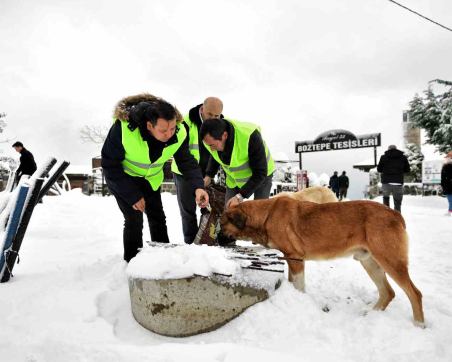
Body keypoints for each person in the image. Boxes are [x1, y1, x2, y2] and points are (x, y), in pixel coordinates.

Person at [101, 94, 209, 262]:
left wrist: (198, 186)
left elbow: (186, 162)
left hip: (150, 180)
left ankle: (162, 257)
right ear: (149, 126)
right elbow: (109, 165)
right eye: (163, 130)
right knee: (134, 219)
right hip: (124, 179)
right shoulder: (122, 130)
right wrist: (132, 196)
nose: (169, 134)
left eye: (172, 128)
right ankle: (132, 262)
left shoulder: (179, 133)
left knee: (157, 216)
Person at [171, 97, 223, 244]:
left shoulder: (221, 125)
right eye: (210, 114)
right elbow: (182, 154)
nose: (213, 118)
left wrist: (209, 174)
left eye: (217, 116)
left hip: (207, 175)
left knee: (210, 210)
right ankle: (190, 244)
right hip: (184, 174)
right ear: (202, 109)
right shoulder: (185, 123)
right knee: (188, 212)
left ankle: (206, 242)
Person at [200, 118, 275, 209]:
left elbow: (260, 173)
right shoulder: (210, 140)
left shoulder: (249, 137)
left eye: (212, 145)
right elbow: (214, 156)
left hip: (262, 176)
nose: (211, 149)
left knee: (259, 212)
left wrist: (240, 196)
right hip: (234, 179)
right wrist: (208, 176)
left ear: (225, 135)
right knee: (229, 212)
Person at [377, 145, 410, 213]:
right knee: (397, 204)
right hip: (398, 183)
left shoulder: (383, 157)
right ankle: (397, 220)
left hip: (386, 183)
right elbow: (407, 170)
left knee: (385, 203)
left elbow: (379, 169)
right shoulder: (403, 157)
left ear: (388, 149)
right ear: (396, 149)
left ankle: (386, 218)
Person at [440, 151, 452, 216]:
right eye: (447, 158)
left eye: (449, 157)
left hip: (448, 186)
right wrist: (443, 186)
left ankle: (450, 212)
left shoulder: (445, 167)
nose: (447, 159)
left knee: (450, 200)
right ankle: (450, 211)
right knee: (450, 200)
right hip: (448, 187)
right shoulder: (444, 166)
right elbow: (443, 178)